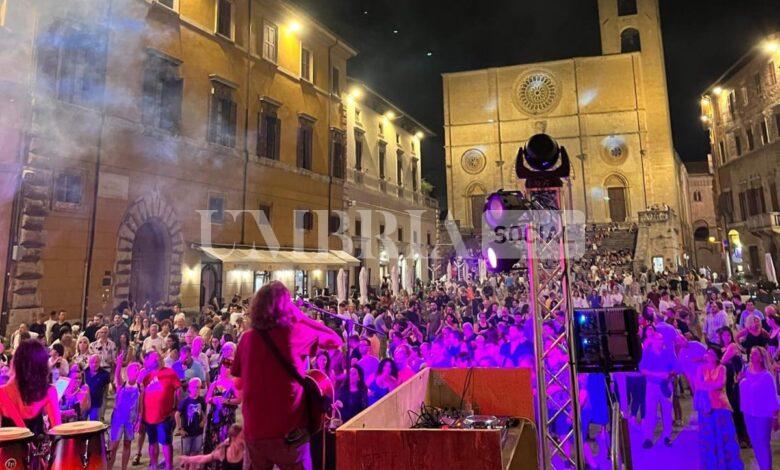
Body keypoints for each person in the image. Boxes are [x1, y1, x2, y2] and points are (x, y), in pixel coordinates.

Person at [231, 281, 343, 470]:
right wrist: (300, 317)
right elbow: (334, 339)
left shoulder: (247, 338)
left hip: (255, 432)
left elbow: (239, 384)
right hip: (289, 432)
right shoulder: (294, 333)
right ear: (286, 307)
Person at [695, 347, 744, 470]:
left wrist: (706, 386)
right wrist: (709, 386)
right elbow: (698, 385)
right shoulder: (701, 368)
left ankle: (727, 465)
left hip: (721, 406)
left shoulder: (722, 368)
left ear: (717, 356)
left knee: (724, 437)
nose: (708, 356)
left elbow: (720, 384)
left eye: (711, 354)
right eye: (707, 353)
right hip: (706, 407)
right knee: (709, 437)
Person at [0, 339, 62, 434]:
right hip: (36, 447)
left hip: (8, 448)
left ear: (16, 362)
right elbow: (58, 432)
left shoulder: (2, 393)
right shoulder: (49, 391)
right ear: (42, 366)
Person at [738, 346, 779, 470]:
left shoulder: (767, 376)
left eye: (755, 354)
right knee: (755, 444)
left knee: (763, 444)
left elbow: (773, 398)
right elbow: (741, 387)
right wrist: (739, 379)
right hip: (748, 412)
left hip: (763, 414)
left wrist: (776, 417)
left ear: (761, 358)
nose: (751, 355)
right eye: (751, 353)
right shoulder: (746, 369)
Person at [141, 349, 181, 470]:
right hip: (148, 416)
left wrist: (175, 409)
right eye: (154, 357)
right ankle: (154, 465)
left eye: (159, 357)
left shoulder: (170, 372)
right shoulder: (145, 375)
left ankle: (169, 466)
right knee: (152, 442)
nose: (158, 359)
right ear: (147, 360)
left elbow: (178, 390)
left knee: (166, 443)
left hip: (164, 415)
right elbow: (139, 394)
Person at [640, 326, 677, 448]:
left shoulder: (668, 353)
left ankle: (667, 436)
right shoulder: (647, 353)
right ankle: (648, 437)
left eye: (662, 339)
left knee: (667, 412)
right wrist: (658, 374)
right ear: (653, 341)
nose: (660, 342)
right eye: (658, 339)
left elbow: (676, 368)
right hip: (652, 385)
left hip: (666, 385)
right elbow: (642, 370)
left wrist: (670, 374)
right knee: (650, 412)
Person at [203, 362, 240, 469]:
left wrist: (226, 400)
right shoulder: (214, 383)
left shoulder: (233, 384)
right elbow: (207, 399)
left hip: (226, 419)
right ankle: (213, 465)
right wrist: (213, 400)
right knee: (213, 441)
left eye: (228, 368)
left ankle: (225, 465)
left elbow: (239, 400)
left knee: (225, 441)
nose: (226, 370)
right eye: (224, 368)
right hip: (215, 418)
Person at [108, 353, 141, 470]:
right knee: (113, 446)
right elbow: (117, 375)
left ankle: (124, 468)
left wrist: (138, 421)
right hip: (118, 419)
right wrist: (119, 363)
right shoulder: (121, 385)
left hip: (131, 420)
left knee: (127, 444)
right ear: (128, 372)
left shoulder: (140, 388)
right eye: (133, 370)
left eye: (137, 370)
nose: (135, 372)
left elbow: (141, 407)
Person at [178, 423, 244, 470]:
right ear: (233, 438)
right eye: (241, 438)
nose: (243, 440)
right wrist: (188, 459)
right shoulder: (223, 452)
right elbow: (203, 458)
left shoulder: (246, 452)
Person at [176, 378, 207, 466]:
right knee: (186, 455)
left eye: (199, 388)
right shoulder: (185, 401)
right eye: (195, 387)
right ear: (190, 387)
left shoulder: (201, 400)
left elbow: (205, 412)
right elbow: (177, 414)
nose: (197, 390)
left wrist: (204, 421)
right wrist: (180, 428)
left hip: (198, 432)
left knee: (195, 453)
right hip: (187, 432)